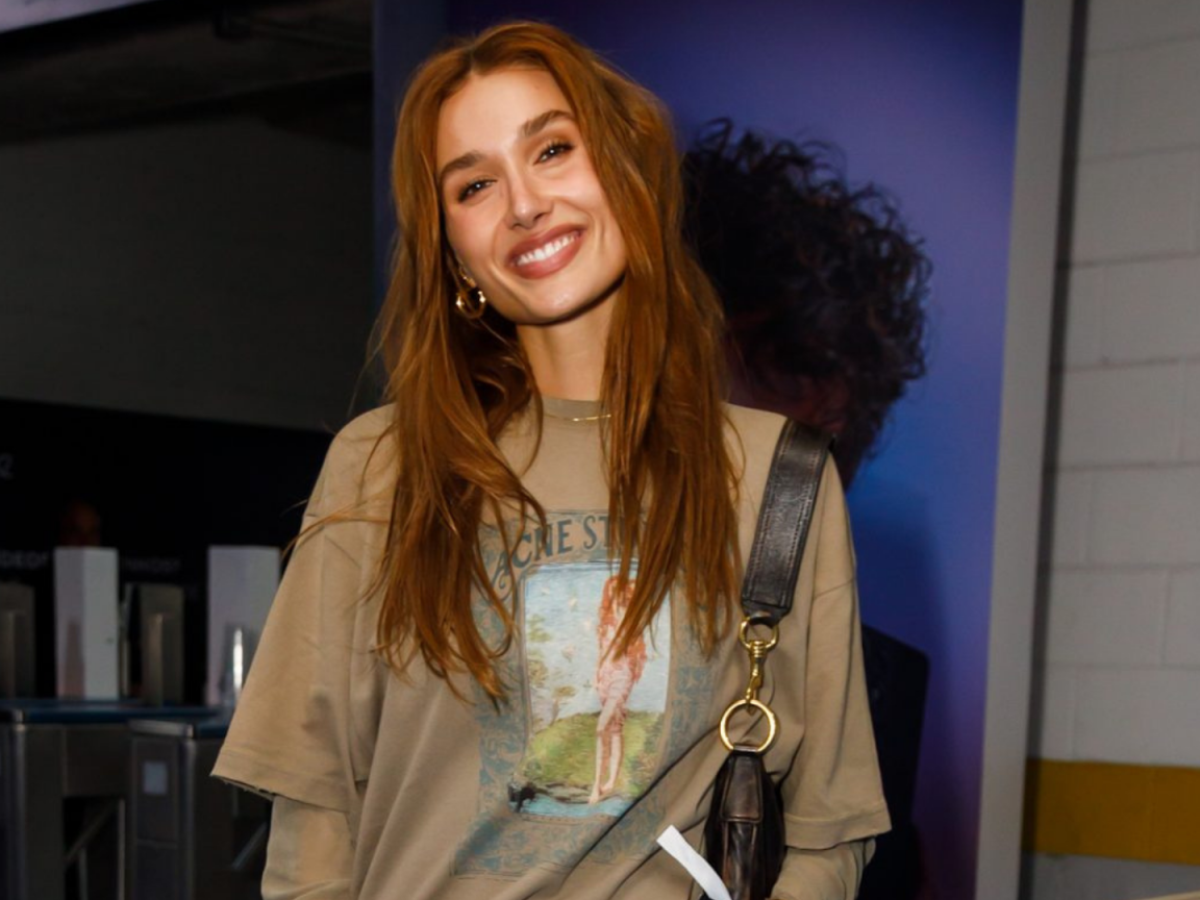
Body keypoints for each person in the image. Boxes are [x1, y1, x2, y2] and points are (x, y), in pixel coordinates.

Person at [212, 20, 889, 900]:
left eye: (553, 150)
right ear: (454, 252)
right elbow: (313, 824)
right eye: (475, 184)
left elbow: (832, 829)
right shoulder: (382, 467)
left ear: (626, 171)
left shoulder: (777, 477)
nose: (524, 204)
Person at [589, 576, 646, 804]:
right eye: (612, 591)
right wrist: (596, 674)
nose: (615, 596)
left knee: (602, 726)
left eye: (619, 592)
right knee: (613, 729)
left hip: (622, 676)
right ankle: (606, 782)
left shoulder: (630, 619)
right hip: (605, 675)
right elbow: (601, 651)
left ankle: (600, 785)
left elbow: (637, 653)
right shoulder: (606, 622)